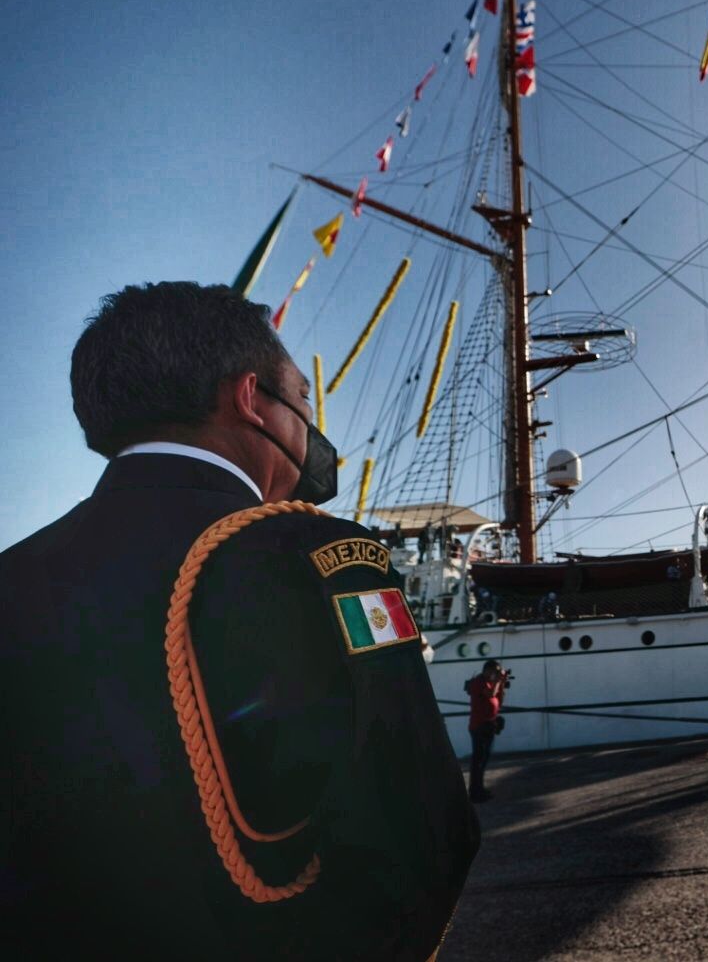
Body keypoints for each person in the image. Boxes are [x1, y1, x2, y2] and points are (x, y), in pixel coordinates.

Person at [0, 283, 478, 957]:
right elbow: (419, 827)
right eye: (304, 401)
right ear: (253, 400)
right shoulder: (322, 556)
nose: (310, 428)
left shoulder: (13, 575)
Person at [465, 660, 509, 802]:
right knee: (478, 760)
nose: (496, 674)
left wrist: (501, 684)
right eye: (495, 671)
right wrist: (498, 681)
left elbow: (499, 701)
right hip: (479, 726)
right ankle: (474, 792)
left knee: (483, 760)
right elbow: (490, 695)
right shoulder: (479, 682)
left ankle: (479, 789)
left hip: (489, 725)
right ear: (487, 670)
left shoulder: (491, 683)